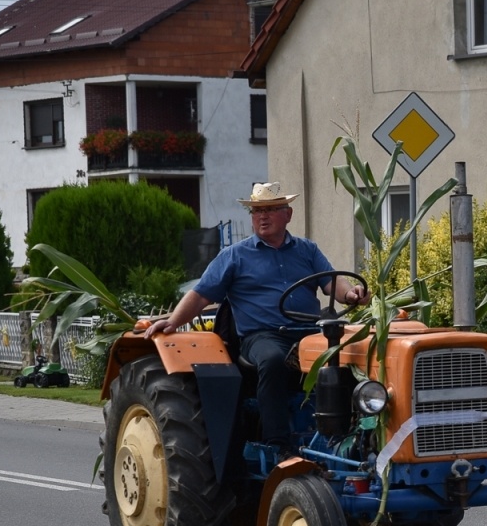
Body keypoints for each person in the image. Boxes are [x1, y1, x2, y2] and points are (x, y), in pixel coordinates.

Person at [146, 183, 366, 449]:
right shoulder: (234, 256)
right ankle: (277, 444)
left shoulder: (307, 250)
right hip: (262, 335)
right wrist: (173, 321)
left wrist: (352, 294)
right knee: (273, 360)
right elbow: (201, 294)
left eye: (271, 209)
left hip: (308, 333)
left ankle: (352, 437)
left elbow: (333, 284)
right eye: (257, 210)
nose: (263, 216)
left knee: (355, 356)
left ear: (288, 214)